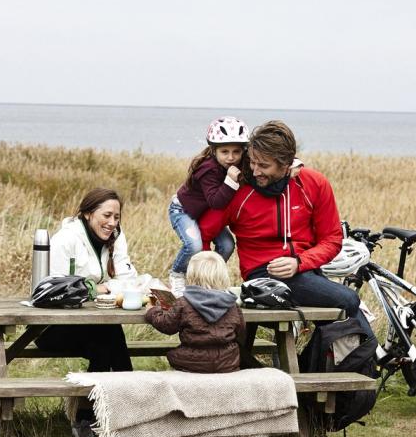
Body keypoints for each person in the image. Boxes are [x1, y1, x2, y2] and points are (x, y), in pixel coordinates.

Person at [198, 121, 373, 339]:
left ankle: (333, 366)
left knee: (346, 312)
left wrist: (300, 262)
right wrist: (205, 281)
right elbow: (204, 233)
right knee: (349, 300)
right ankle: (361, 367)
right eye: (252, 162)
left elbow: (332, 239)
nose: (255, 171)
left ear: (286, 164)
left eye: (264, 166)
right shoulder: (237, 189)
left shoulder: (314, 183)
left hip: (304, 271)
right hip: (262, 275)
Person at [37, 187, 137, 437]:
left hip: (91, 326)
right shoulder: (66, 239)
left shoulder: (115, 236)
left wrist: (104, 288)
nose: (112, 223)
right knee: (108, 336)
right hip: (52, 328)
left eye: (117, 217)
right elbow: (54, 287)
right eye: (106, 215)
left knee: (106, 339)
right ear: (88, 213)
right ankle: (130, 406)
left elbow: (127, 279)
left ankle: (89, 418)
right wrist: (98, 288)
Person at [166, 116, 246, 294]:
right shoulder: (208, 169)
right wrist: (231, 181)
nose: (231, 158)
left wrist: (293, 161)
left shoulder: (239, 161)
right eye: (225, 152)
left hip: (202, 212)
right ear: (214, 150)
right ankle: (177, 275)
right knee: (193, 245)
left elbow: (264, 153)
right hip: (183, 211)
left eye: (236, 152)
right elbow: (215, 202)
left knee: (227, 245)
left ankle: (210, 278)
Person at [144, 251, 243, 373]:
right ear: (223, 276)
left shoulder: (184, 303)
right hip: (227, 363)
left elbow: (167, 326)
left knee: (173, 355)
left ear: (191, 276)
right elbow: (241, 331)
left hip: (191, 362)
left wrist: (152, 311)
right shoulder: (232, 305)